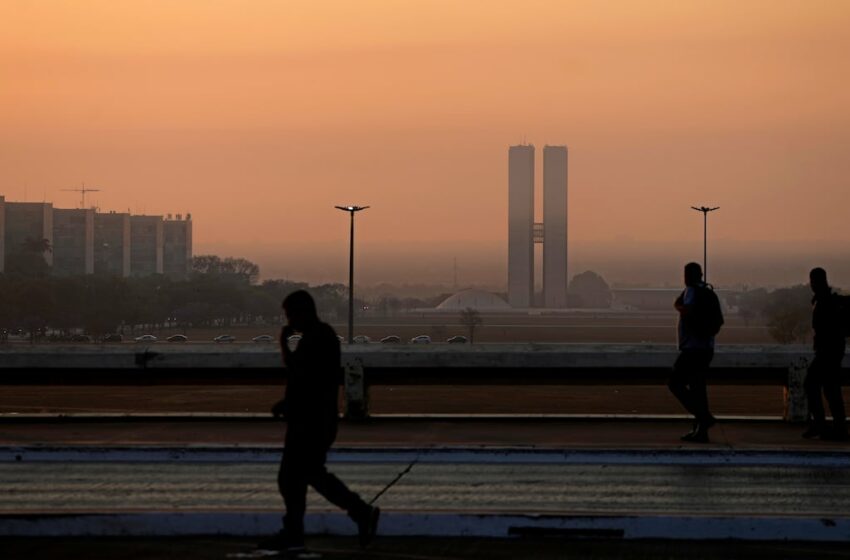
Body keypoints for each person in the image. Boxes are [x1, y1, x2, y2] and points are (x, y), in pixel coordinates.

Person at [262, 290, 379, 556]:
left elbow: (304, 378)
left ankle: (357, 513)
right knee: (302, 476)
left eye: (291, 314)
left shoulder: (317, 338)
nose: (289, 320)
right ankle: (353, 514)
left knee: (297, 476)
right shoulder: (318, 336)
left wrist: (285, 348)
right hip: (312, 419)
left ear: (303, 312)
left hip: (312, 421)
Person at [669, 262, 720, 443]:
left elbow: (684, 308)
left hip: (692, 349)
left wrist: (680, 308)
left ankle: (704, 417)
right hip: (706, 348)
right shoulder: (708, 293)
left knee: (675, 383)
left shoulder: (691, 292)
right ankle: (701, 430)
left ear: (688, 276)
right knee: (698, 388)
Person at [803, 268, 848, 441]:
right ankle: (836, 427)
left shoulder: (825, 302)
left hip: (828, 352)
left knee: (813, 384)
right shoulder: (827, 300)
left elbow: (826, 329)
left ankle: (822, 424)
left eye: (813, 281)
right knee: (831, 390)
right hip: (832, 351)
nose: (811, 285)